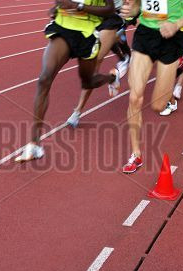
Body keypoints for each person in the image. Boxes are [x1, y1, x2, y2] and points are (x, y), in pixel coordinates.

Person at [15, 0, 119, 162]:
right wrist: (56, 7)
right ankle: (35, 143)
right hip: (63, 28)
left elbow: (109, 9)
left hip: (86, 34)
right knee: (44, 79)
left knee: (88, 82)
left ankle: (111, 78)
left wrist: (79, 7)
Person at [120, 0, 183, 174]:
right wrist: (131, 10)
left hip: (171, 37)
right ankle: (136, 154)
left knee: (158, 105)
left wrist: (177, 25)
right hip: (145, 35)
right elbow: (138, 5)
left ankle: (179, 65)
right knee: (134, 97)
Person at [67, 0, 131, 128]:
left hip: (111, 17)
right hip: (91, 17)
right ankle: (114, 75)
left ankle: (77, 111)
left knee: (94, 62)